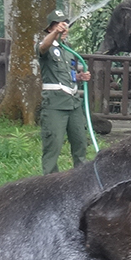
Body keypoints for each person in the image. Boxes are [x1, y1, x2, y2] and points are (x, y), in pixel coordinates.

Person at [38, 10, 90, 174]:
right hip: (55, 105)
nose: (63, 28)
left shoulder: (69, 50)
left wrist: (80, 77)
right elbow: (42, 47)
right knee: (53, 146)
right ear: (49, 29)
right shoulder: (46, 46)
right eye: (58, 25)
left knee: (80, 144)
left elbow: (68, 74)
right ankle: (50, 184)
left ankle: (81, 180)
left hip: (74, 104)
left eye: (64, 24)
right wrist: (55, 33)